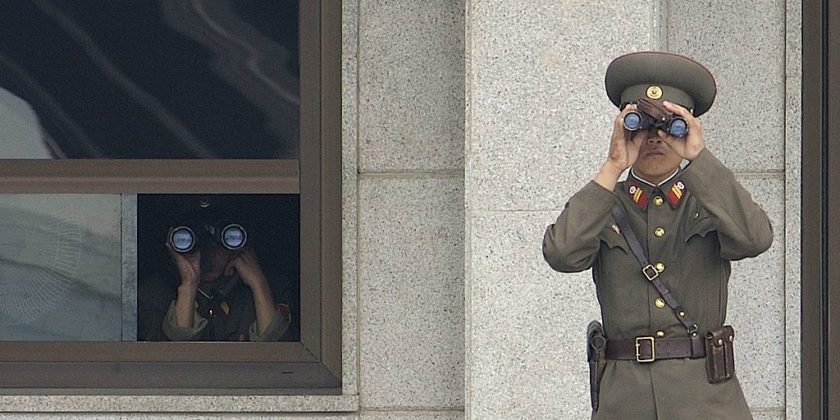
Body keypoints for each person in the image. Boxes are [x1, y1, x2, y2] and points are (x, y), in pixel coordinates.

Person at [542, 51, 773, 419]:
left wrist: (699, 157)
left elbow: (756, 238)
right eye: (642, 126)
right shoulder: (605, 205)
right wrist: (613, 165)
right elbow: (561, 254)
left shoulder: (707, 202)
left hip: (706, 403)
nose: (656, 137)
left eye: (670, 125)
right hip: (625, 401)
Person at [138, 201, 291, 342]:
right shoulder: (154, 295)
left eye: (218, 245)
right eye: (195, 243)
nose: (207, 254)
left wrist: (259, 284)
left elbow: (278, 352)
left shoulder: (272, 288)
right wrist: (189, 285)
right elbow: (171, 357)